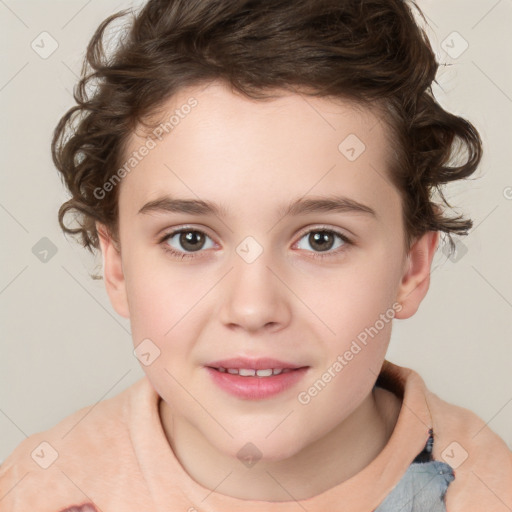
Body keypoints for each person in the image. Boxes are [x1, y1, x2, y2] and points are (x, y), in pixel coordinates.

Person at [1, 0, 511, 510]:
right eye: (190, 239)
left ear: (411, 268)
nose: (252, 309)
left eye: (321, 240)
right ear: (117, 265)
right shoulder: (35, 491)